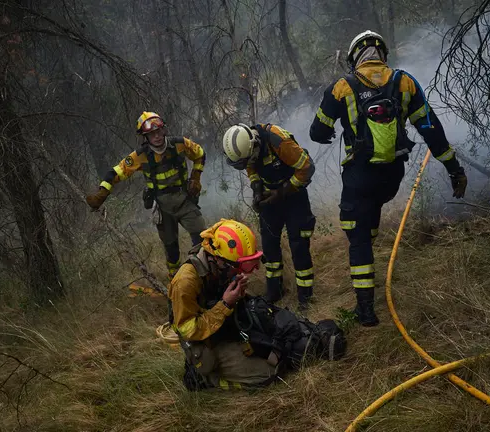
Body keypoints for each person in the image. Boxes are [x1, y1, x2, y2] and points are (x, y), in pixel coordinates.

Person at [309, 30, 468, 326]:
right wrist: (454, 169)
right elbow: (431, 129)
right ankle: (368, 261)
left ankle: (365, 310)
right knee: (369, 219)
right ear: (382, 54)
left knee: (356, 235)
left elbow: (317, 132)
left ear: (355, 57)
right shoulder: (405, 82)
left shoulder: (342, 87)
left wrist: (332, 129)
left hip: (360, 177)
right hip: (392, 177)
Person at [169, 219, 346, 391]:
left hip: (225, 328)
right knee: (268, 373)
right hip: (206, 343)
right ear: (219, 260)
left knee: (278, 349)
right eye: (238, 267)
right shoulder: (185, 282)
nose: (242, 272)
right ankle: (206, 380)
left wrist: (238, 298)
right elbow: (187, 330)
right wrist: (225, 304)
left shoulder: (218, 265)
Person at [86, 111, 207, 279]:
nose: (156, 137)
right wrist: (101, 194)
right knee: (171, 250)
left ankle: (204, 276)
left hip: (185, 201)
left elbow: (200, 154)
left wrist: (196, 177)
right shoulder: (140, 156)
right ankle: (176, 283)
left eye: (158, 132)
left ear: (164, 130)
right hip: (163, 208)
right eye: (151, 134)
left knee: (202, 239)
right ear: (145, 137)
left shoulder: (180, 144)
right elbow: (116, 173)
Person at [222, 123, 316, 310]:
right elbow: (251, 168)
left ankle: (305, 296)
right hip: (270, 197)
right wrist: (257, 189)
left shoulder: (278, 141)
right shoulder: (248, 149)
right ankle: (275, 290)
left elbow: (307, 167)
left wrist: (282, 192)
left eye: (247, 160)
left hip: (294, 196)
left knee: (298, 245)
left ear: (254, 145)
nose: (246, 165)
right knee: (269, 245)